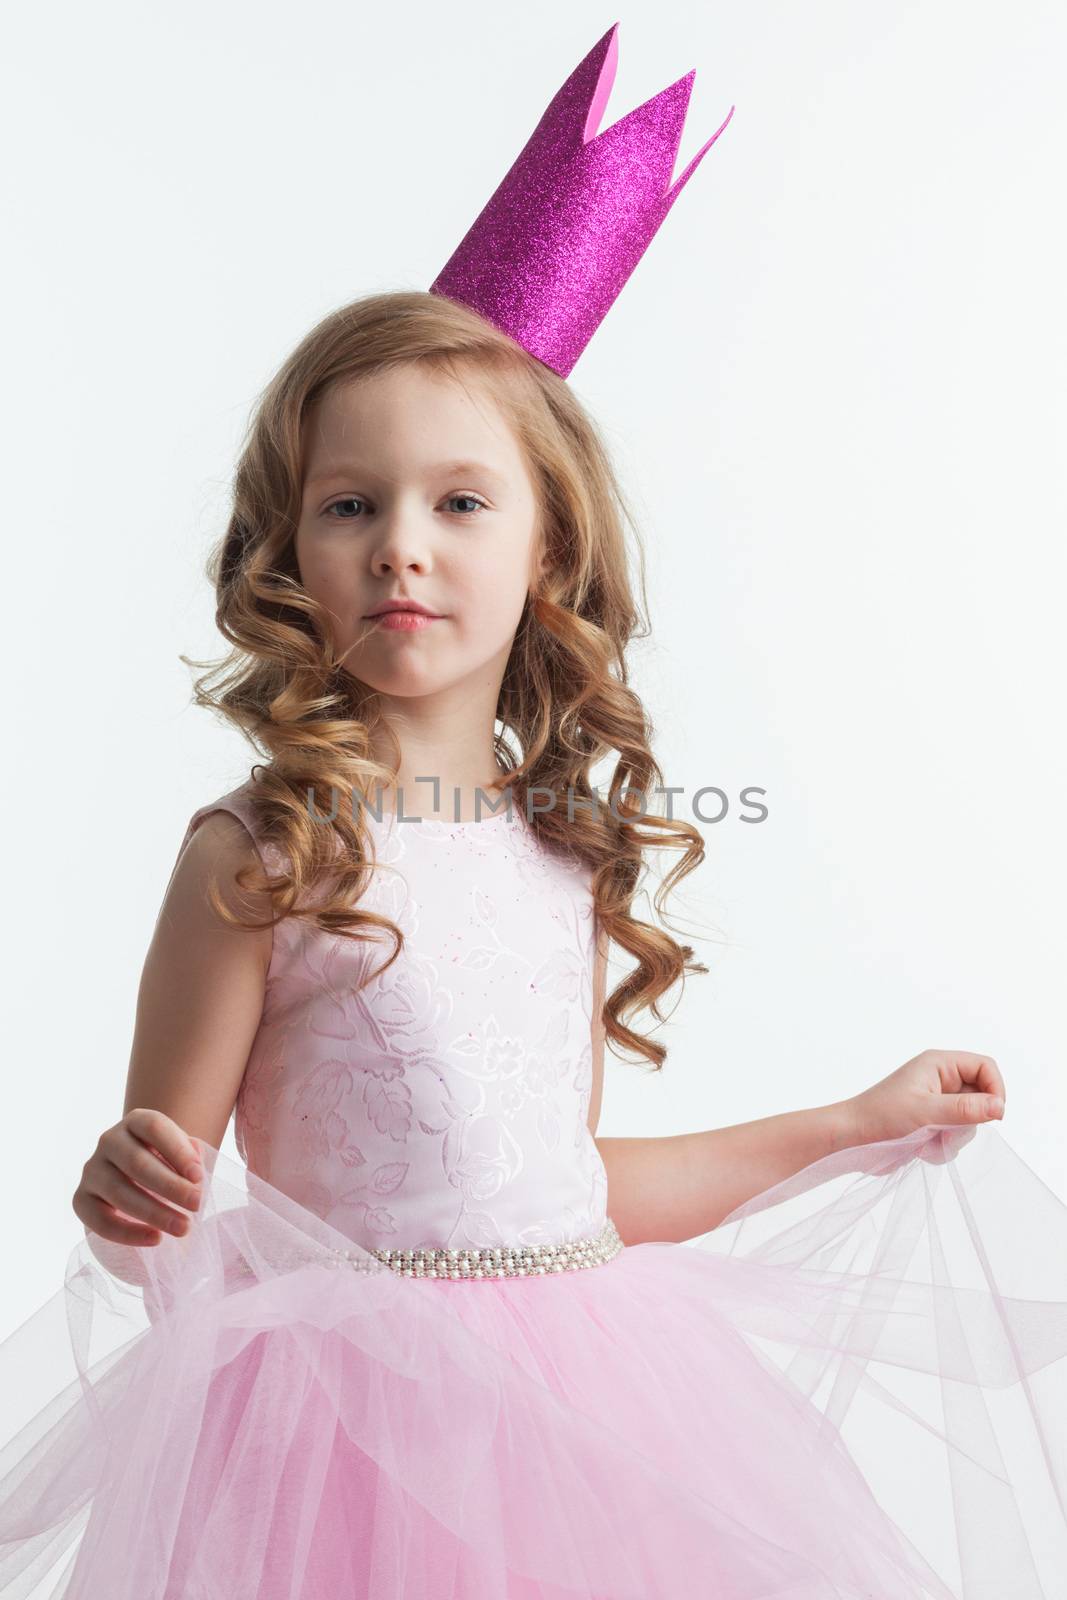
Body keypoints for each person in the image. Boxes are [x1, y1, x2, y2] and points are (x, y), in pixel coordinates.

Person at [2, 22, 1066, 1600]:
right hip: (335, 1452)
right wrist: (121, 1195)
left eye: (460, 500)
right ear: (290, 551)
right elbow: (164, 1214)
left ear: (548, 550)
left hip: (587, 1419)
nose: (403, 546)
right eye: (350, 504)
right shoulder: (261, 856)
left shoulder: (561, 844)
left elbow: (567, 1195)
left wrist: (855, 1122)